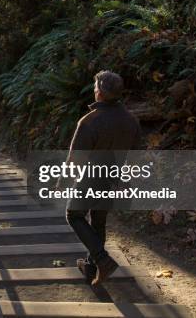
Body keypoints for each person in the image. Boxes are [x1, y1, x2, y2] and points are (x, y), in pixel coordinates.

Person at [64, 70, 141, 285]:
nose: (94, 90)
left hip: (91, 177)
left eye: (95, 87)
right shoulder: (132, 120)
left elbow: (75, 160)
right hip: (113, 177)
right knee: (98, 220)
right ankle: (91, 269)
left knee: (74, 215)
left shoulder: (89, 120)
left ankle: (102, 260)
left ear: (100, 93)